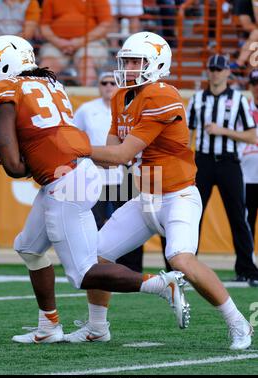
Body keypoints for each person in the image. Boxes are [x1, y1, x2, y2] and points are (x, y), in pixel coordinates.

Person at [0, 34, 190, 344]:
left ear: (5, 65)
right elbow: (39, 138)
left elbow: (15, 168)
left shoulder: (4, 89)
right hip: (76, 172)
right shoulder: (48, 82)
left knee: (83, 272)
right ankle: (49, 326)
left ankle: (161, 284)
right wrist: (16, 152)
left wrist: (5, 152)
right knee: (28, 247)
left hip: (64, 183)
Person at [64, 32, 253, 351]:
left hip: (177, 196)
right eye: (126, 61)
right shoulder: (120, 96)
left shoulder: (162, 95)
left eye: (137, 61)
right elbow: (112, 158)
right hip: (145, 197)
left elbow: (122, 155)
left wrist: (73, 147)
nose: (129, 67)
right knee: (94, 256)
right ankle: (97, 327)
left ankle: (238, 322)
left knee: (179, 258)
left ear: (157, 63)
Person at [188, 54, 258, 286]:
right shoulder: (197, 99)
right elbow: (187, 135)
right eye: (212, 68)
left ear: (228, 72)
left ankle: (247, 269)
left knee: (238, 216)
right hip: (203, 162)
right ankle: (188, 268)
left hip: (229, 162)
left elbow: (251, 135)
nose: (215, 72)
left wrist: (223, 131)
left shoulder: (239, 100)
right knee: (192, 215)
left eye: (219, 69)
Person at [74, 71, 143, 272]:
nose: (109, 86)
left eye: (113, 82)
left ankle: (131, 268)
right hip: (96, 175)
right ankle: (90, 265)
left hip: (125, 174)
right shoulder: (87, 109)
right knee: (92, 222)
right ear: (99, 85)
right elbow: (74, 136)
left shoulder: (129, 107)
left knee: (130, 221)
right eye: (104, 82)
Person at [39, 0, 112, 86]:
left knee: (86, 63)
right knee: (47, 65)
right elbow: (44, 26)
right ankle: (38, 95)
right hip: (56, 43)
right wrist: (59, 42)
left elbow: (105, 24)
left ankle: (87, 95)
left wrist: (80, 41)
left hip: (91, 42)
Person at [241, 69, 258, 245]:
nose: (257, 87)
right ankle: (249, 265)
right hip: (246, 176)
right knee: (247, 222)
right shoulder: (243, 108)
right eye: (254, 83)